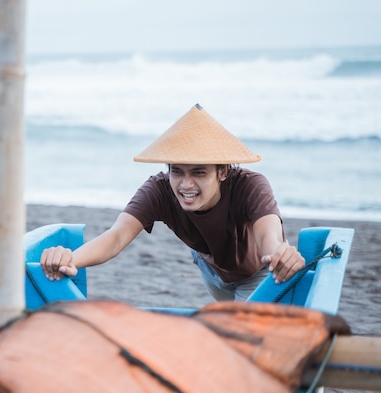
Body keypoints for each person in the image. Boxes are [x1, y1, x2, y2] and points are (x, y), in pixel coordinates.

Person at [40, 103, 305, 301]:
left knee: (241, 338)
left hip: (257, 273)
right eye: (177, 171)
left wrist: (279, 254)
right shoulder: (159, 189)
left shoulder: (251, 185)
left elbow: (269, 236)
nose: (185, 184)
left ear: (222, 172)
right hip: (210, 266)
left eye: (199, 172)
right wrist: (70, 259)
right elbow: (116, 237)